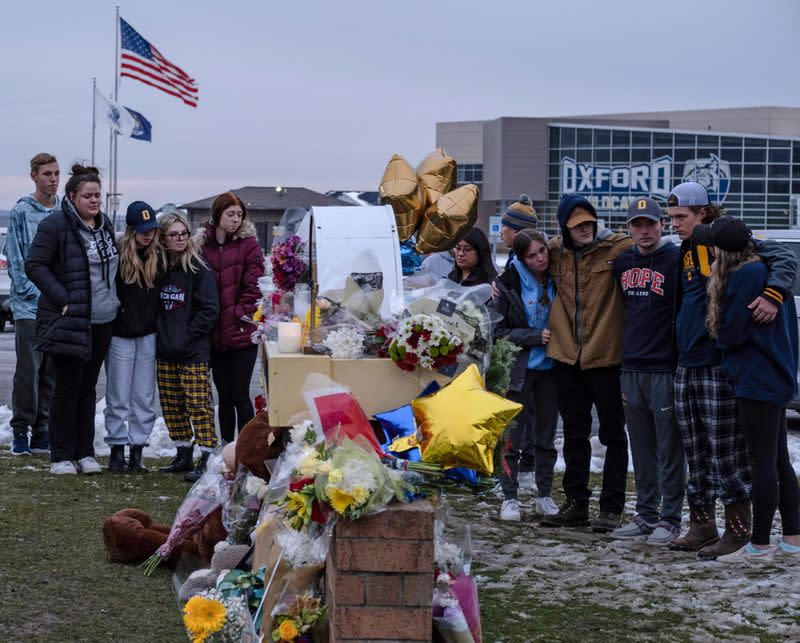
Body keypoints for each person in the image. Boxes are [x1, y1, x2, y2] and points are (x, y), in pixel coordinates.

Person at [667, 181, 797, 559]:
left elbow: (783, 256)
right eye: (671, 217)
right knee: (699, 451)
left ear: (703, 213)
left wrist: (774, 295)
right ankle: (703, 523)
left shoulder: (734, 246)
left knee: (736, 455)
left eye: (681, 217)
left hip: (724, 367)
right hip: (688, 361)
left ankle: (747, 534)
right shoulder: (688, 248)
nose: (674, 224)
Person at [695, 216, 800, 563]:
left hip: (756, 380)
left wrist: (719, 330)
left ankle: (758, 544)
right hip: (775, 377)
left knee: (762, 462)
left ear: (722, 251)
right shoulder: (765, 270)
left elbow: (732, 334)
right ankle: (792, 538)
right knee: (778, 460)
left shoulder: (745, 276)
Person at [540, 194, 632, 533]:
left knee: (612, 434)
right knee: (575, 433)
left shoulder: (616, 248)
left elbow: (651, 243)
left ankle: (611, 508)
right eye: (578, 225)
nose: (585, 230)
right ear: (565, 228)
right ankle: (576, 503)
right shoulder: (555, 252)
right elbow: (524, 255)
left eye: (589, 223)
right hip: (567, 357)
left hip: (606, 356)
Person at [25, 164, 119, 475]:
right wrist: (63, 298)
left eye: (98, 196)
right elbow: (35, 264)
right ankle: (60, 455)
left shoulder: (104, 225)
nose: (95, 201)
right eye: (88, 196)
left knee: (88, 388)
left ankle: (85, 452)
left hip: (103, 321)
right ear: (72, 196)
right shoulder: (56, 225)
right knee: (66, 388)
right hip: (70, 319)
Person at [610, 197, 685, 545]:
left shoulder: (675, 258)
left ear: (662, 225)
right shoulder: (622, 262)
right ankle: (645, 513)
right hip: (631, 365)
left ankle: (670, 518)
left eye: (650, 223)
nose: (643, 230)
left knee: (668, 448)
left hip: (664, 366)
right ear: (628, 229)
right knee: (640, 447)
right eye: (636, 224)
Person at [491, 229, 559, 521]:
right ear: (521, 258)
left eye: (542, 251)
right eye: (532, 255)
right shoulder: (507, 283)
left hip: (552, 369)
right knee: (512, 437)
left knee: (545, 437)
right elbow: (499, 331)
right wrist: (533, 336)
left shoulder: (558, 274)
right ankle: (510, 497)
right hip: (519, 369)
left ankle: (544, 495)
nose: (540, 258)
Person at [156, 211, 219, 482]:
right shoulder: (158, 269)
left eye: (184, 233)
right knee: (171, 403)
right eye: (174, 234)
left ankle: (206, 455)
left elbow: (209, 310)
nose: (180, 239)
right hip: (164, 348)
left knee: (198, 403)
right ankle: (182, 452)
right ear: (163, 238)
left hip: (193, 350)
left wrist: (186, 336)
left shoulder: (199, 268)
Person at [198, 192, 264, 445]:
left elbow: (254, 287)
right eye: (230, 214)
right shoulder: (203, 245)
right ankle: (226, 446)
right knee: (223, 395)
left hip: (241, 332)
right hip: (214, 334)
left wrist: (238, 314)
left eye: (239, 215)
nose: (235, 219)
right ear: (218, 215)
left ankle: (246, 449)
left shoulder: (249, 245)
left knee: (240, 395)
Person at [103, 201, 163, 473]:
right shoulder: (118, 256)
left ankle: (137, 450)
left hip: (147, 335)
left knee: (143, 395)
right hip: (120, 334)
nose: (147, 235)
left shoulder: (158, 257)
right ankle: (116, 448)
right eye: (142, 230)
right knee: (118, 392)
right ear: (131, 230)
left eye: (151, 230)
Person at [6, 153, 59, 456]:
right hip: (29, 305)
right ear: (33, 176)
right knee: (29, 370)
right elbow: (15, 257)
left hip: (57, 305)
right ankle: (21, 431)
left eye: (56, 173)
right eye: (47, 174)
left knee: (51, 370)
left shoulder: (64, 210)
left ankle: (42, 430)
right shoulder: (21, 212)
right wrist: (31, 292)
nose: (53, 179)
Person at [499, 195, 538, 269]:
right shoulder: (535, 254)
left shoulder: (517, 260)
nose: (500, 232)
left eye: (504, 226)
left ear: (515, 229)